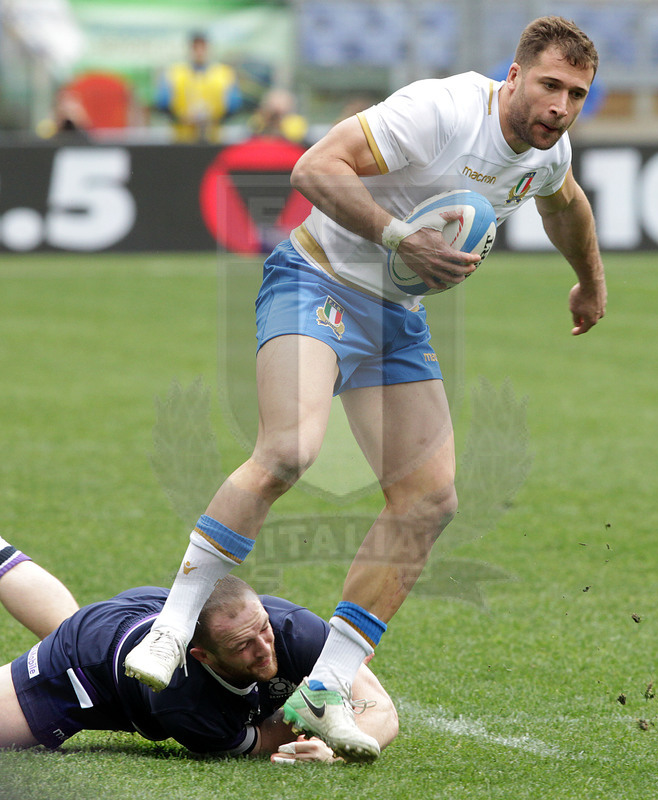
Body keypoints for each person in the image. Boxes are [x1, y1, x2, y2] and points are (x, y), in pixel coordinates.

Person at [125, 15, 607, 761]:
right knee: (289, 450)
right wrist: (397, 236)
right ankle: (173, 624)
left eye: (575, 93)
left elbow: (565, 203)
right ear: (512, 76)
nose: (559, 106)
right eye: (548, 85)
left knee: (429, 500)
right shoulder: (440, 110)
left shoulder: (546, 152)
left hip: (393, 317)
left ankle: (324, 690)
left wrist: (588, 282)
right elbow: (313, 169)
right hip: (314, 279)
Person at [0, 540, 397, 762]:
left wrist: (338, 748)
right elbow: (258, 741)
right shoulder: (181, 699)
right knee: (69, 631)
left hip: (150, 614)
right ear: (202, 656)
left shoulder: (293, 630)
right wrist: (314, 726)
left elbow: (380, 708)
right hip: (84, 664)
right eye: (243, 646)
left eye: (262, 629)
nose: (263, 649)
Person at [155, 31, 242, 143]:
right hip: (181, 139)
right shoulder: (173, 73)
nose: (199, 51)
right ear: (189, 48)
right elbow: (162, 105)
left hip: (214, 139)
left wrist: (213, 118)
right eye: (195, 47)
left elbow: (234, 107)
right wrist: (183, 118)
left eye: (203, 47)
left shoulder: (224, 73)